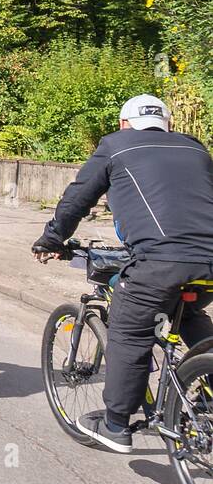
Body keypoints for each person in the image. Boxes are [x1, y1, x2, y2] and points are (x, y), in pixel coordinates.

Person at [31, 94, 213, 452]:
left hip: (160, 261)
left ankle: (116, 425)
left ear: (123, 124)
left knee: (130, 329)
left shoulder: (116, 145)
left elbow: (77, 198)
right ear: (168, 125)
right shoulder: (196, 149)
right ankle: (204, 382)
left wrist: (51, 238)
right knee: (189, 311)